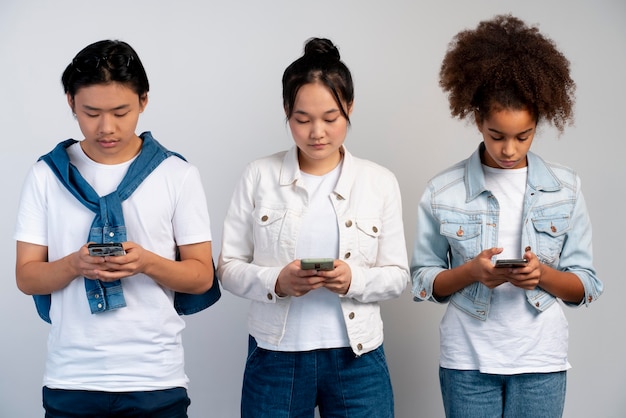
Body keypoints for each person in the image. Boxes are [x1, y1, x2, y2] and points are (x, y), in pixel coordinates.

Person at [410, 15, 603, 418]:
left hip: (541, 363)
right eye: (497, 135)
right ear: (478, 119)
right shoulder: (443, 191)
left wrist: (542, 276)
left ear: (539, 122)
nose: (510, 149)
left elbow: (585, 284)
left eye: (524, 135)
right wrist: (471, 273)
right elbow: (423, 280)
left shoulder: (566, 189)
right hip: (466, 362)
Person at [14, 40, 216, 417]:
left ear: (144, 100)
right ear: (71, 103)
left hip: (155, 381)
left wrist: (146, 263)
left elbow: (201, 276)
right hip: (71, 380)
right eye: (91, 112)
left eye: (121, 111)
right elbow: (26, 277)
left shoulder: (177, 175)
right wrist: (75, 265)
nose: (107, 127)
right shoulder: (46, 175)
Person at [218, 37, 409, 417]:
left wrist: (353, 280)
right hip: (276, 356)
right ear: (287, 111)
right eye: (302, 120)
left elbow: (398, 275)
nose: (316, 132)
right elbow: (227, 266)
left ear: (349, 108)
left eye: (330, 118)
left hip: (358, 358)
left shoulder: (379, 181)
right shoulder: (259, 175)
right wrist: (278, 282)